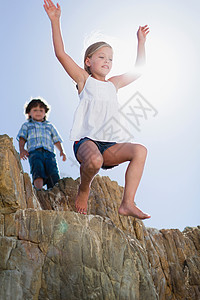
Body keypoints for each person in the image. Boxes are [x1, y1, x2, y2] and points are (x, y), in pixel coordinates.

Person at [44, 0, 150, 219]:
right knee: (94, 161)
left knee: (140, 150)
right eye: (101, 57)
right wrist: (55, 20)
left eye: (110, 59)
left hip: (109, 144)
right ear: (88, 61)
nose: (107, 61)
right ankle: (84, 189)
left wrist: (141, 41)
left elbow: (139, 70)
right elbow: (61, 54)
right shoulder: (84, 80)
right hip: (86, 142)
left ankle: (127, 203)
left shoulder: (114, 83)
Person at [17, 98, 66, 190]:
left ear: (45, 113)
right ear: (29, 113)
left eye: (41, 110)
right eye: (35, 110)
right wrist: (22, 149)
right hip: (34, 152)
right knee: (37, 170)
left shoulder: (49, 126)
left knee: (53, 172)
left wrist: (61, 151)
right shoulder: (27, 125)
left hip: (49, 153)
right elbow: (22, 138)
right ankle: (39, 191)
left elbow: (56, 140)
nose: (38, 112)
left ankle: (55, 191)